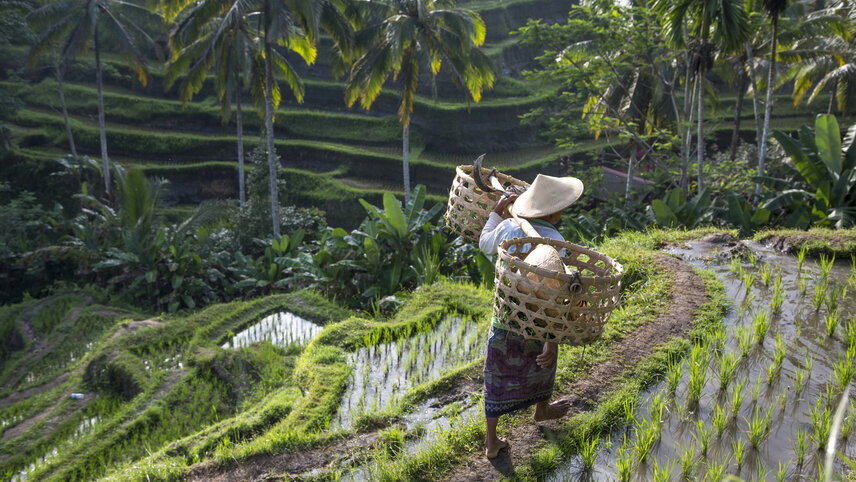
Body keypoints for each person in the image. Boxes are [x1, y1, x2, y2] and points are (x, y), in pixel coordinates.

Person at [478, 173, 585, 459]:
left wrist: (496, 213)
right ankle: (542, 409)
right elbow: (558, 295)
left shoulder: (507, 227)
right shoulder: (556, 242)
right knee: (544, 363)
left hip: (506, 314)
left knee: (497, 373)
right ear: (553, 212)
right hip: (540, 318)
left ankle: (491, 441)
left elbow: (484, 243)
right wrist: (553, 338)